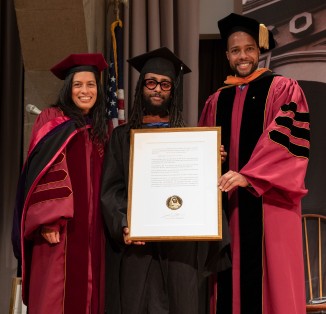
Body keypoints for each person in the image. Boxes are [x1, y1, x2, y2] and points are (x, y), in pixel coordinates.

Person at [100, 47, 231, 314]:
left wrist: (209, 160)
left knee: (181, 305)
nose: (157, 89)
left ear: (173, 91)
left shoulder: (190, 138)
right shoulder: (122, 137)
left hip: (181, 246)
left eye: (164, 84)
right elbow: (111, 190)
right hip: (138, 247)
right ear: (141, 87)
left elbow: (201, 193)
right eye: (151, 82)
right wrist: (125, 224)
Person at [199, 13, 310, 314]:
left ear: (259, 52)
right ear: (227, 55)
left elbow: (287, 141)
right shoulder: (216, 100)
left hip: (270, 202)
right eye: (236, 50)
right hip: (230, 208)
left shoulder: (283, 89)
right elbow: (202, 156)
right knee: (230, 285)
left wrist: (249, 176)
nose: (243, 56)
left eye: (249, 49)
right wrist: (212, 157)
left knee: (271, 284)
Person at [11, 53, 109, 313]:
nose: (85, 91)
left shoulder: (102, 129)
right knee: (55, 297)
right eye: (78, 85)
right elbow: (42, 172)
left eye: (91, 84)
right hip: (59, 232)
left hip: (92, 231)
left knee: (89, 294)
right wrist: (48, 220)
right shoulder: (52, 120)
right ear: (68, 88)